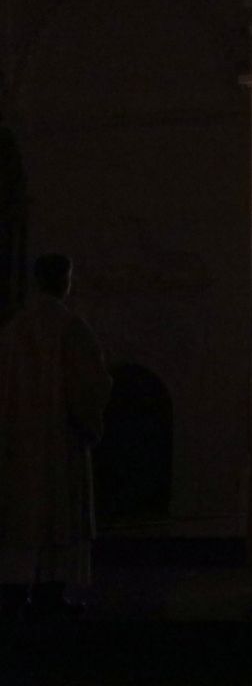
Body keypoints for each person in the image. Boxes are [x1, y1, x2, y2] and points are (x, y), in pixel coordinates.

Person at [0, 254, 111, 619]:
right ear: (65, 280)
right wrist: (89, 421)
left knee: (24, 514)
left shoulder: (15, 329)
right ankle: (51, 590)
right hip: (59, 440)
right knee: (57, 514)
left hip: (19, 442)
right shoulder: (71, 328)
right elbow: (88, 386)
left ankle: (16, 588)